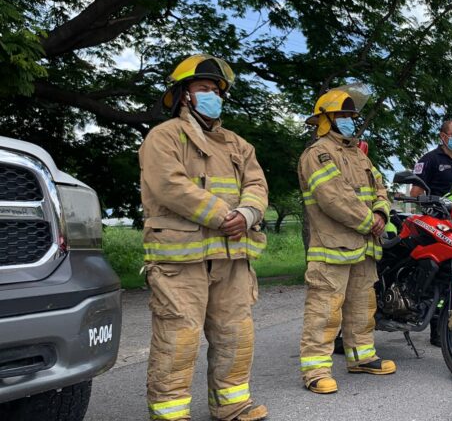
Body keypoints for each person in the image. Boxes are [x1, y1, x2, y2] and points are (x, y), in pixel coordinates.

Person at [139, 54, 270, 421]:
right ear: (184, 95)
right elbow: (169, 185)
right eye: (204, 88)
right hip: (181, 259)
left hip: (232, 256)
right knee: (178, 338)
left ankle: (232, 405)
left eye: (216, 90)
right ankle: (170, 414)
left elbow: (257, 185)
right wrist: (222, 215)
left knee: (236, 333)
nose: (213, 95)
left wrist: (247, 214)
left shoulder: (238, 145)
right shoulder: (163, 137)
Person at [298, 84, 396, 395]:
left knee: (362, 306)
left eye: (352, 115)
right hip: (332, 246)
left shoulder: (359, 155)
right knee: (325, 310)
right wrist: (370, 222)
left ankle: (362, 357)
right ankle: (315, 370)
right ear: (326, 118)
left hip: (364, 245)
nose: (350, 120)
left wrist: (381, 212)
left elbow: (381, 187)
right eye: (343, 115)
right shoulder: (317, 153)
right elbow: (333, 197)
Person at [410, 119, 452, 346]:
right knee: (439, 275)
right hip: (436, 223)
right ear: (443, 136)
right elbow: (415, 192)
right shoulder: (429, 160)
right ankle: (437, 330)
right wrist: (430, 204)